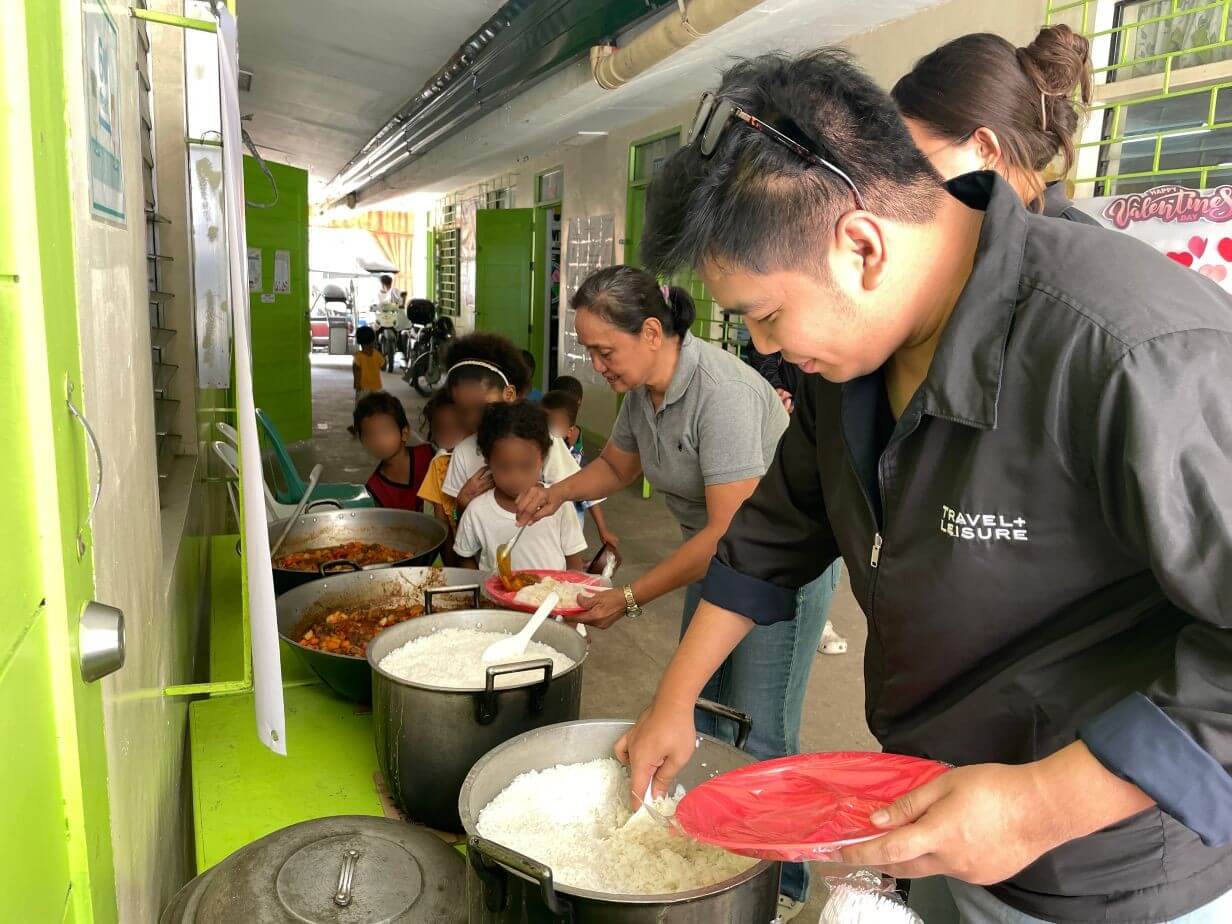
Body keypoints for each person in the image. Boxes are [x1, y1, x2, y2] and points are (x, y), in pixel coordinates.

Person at [618, 47, 1232, 924]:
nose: (758, 347)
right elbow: (771, 537)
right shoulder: (851, 363)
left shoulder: (1129, 349)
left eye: (763, 313)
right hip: (938, 810)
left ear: (862, 245)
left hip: (1108, 867)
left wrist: (1041, 805)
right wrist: (674, 702)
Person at [515, 264, 828, 916]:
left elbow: (726, 533)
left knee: (762, 731)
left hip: (776, 573)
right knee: (702, 713)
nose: (598, 364)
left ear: (653, 331)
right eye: (591, 351)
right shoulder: (643, 391)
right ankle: (711, 853)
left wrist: (630, 598)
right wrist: (555, 494)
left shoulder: (725, 394)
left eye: (607, 349)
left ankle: (783, 887)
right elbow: (615, 466)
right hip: (717, 568)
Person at [893, 24, 1096, 224]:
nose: (905, 178)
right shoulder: (984, 232)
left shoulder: (1072, 249)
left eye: (917, 161)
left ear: (985, 148)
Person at [441, 333, 580, 514]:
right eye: (463, 411)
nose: (472, 419)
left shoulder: (544, 439)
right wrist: (462, 504)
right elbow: (460, 528)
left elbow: (568, 492)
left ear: (509, 394)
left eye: (481, 408)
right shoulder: (462, 453)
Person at [454, 401, 588, 574]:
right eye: (504, 467)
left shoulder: (557, 504)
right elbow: (464, 556)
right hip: (497, 600)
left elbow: (574, 563)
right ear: (488, 460)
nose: (516, 478)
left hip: (552, 598)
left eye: (526, 466)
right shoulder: (477, 511)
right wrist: (482, 588)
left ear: (543, 458)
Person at [540, 389, 618, 548]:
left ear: (570, 431)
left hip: (571, 523)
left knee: (568, 556)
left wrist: (603, 530)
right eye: (544, 423)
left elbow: (591, 499)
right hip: (545, 525)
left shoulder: (576, 459)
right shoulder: (536, 453)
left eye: (554, 424)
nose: (548, 430)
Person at [352, 392, 434, 511]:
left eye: (386, 431)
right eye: (370, 435)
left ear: (404, 434)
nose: (379, 440)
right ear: (362, 441)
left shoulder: (428, 456)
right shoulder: (375, 488)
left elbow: (452, 506)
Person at [416, 389, 467, 550]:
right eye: (441, 428)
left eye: (456, 427)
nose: (448, 434)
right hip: (454, 544)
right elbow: (441, 520)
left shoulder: (483, 462)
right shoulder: (438, 465)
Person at [352, 325, 384, 399]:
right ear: (373, 339)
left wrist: (357, 387)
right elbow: (383, 366)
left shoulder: (357, 356)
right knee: (375, 409)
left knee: (363, 408)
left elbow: (356, 373)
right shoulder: (377, 354)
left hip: (363, 389)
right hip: (377, 388)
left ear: (358, 340)